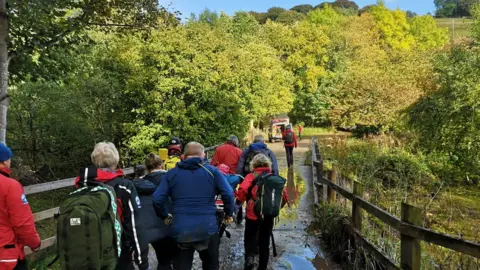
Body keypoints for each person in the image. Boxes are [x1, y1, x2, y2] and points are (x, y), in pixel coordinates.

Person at [153, 142, 234, 270]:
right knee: (211, 265)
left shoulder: (171, 174)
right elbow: (228, 194)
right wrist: (229, 214)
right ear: (203, 155)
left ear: (183, 156)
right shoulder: (212, 171)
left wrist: (164, 216)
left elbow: (157, 199)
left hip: (181, 230)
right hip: (207, 228)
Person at [75, 142, 148, 270]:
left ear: (93, 160)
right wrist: (142, 260)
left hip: (88, 251)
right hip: (118, 253)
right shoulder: (124, 186)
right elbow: (135, 226)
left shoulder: (81, 185)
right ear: (115, 159)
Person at [236, 154, 288, 270]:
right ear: (268, 164)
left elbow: (243, 190)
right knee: (265, 242)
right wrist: (274, 208)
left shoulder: (251, 176)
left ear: (253, 164)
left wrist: (239, 201)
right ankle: (262, 267)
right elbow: (284, 196)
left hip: (252, 215)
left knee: (249, 238)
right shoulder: (273, 178)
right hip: (267, 216)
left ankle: (249, 259)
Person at [0, 143, 41, 270]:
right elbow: (23, 224)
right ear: (5, 161)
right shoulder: (10, 186)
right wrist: (35, 243)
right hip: (6, 257)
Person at [133, 153, 176, 270]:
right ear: (161, 165)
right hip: (170, 222)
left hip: (152, 226)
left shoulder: (141, 183)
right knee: (176, 259)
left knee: (163, 259)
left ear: (147, 167)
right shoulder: (170, 178)